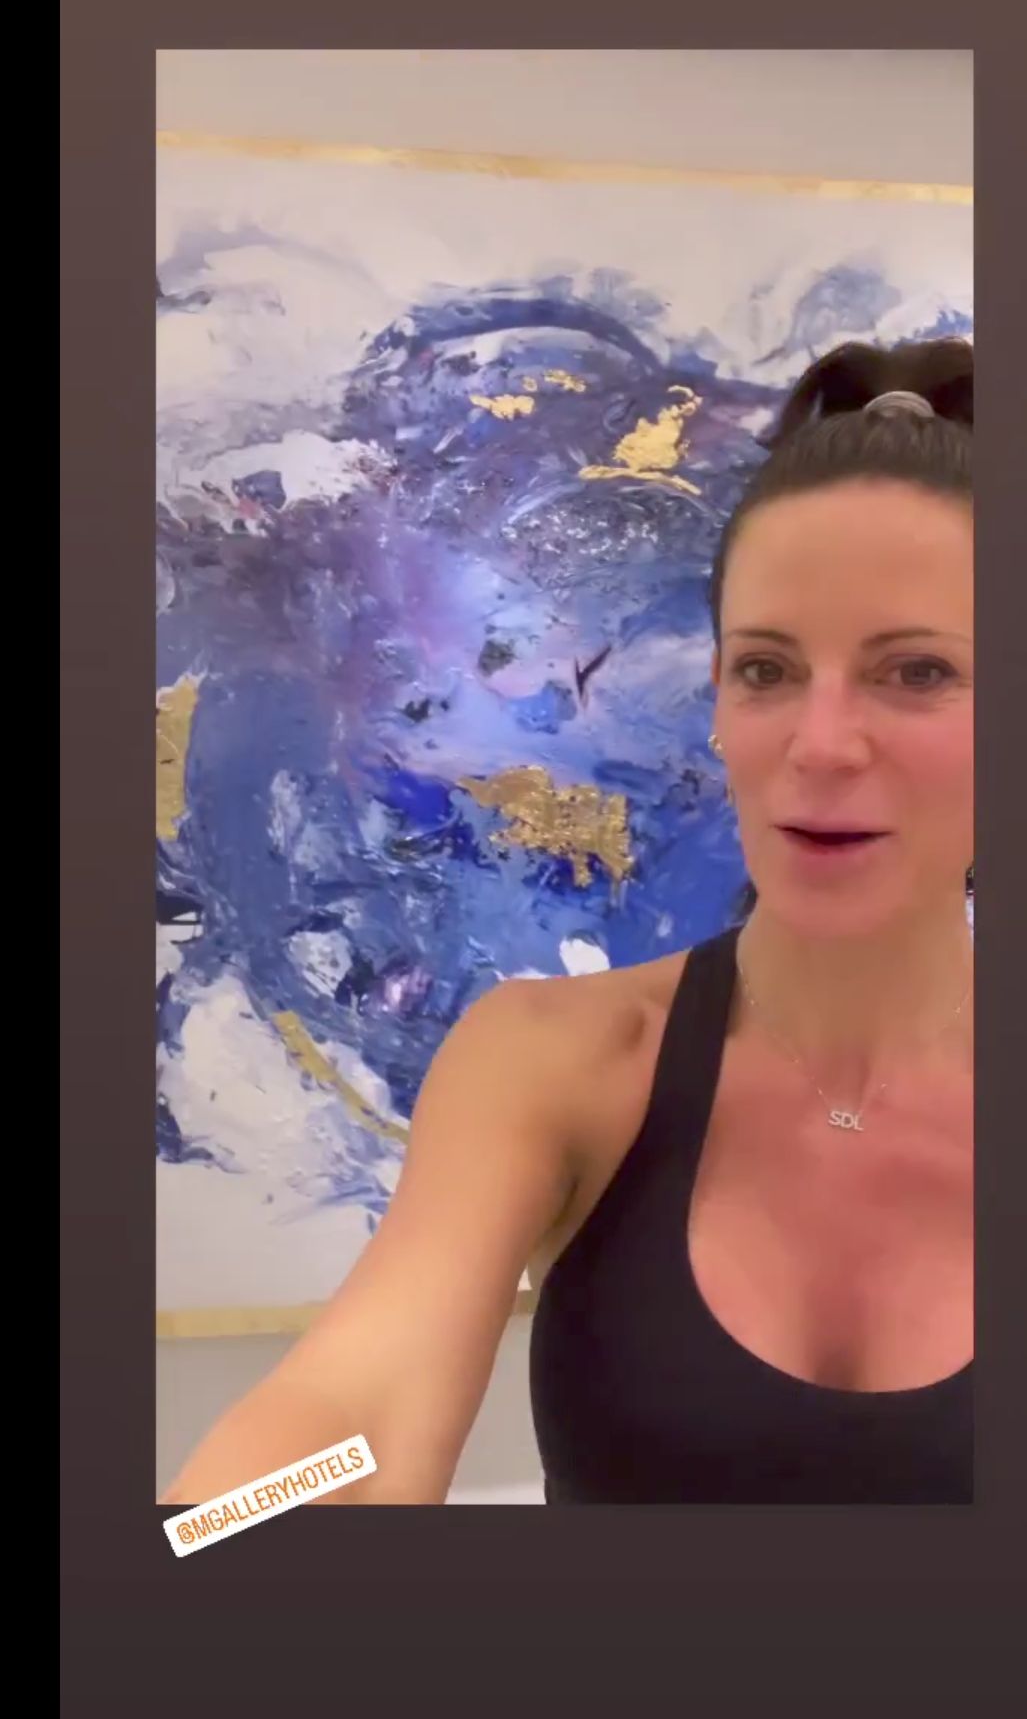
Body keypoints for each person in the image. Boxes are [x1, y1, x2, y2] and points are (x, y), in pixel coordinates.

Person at [162, 335, 975, 1507]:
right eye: (767, 670)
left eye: (917, 673)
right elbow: (357, 1421)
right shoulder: (558, 1063)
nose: (822, 743)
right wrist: (198, 1540)